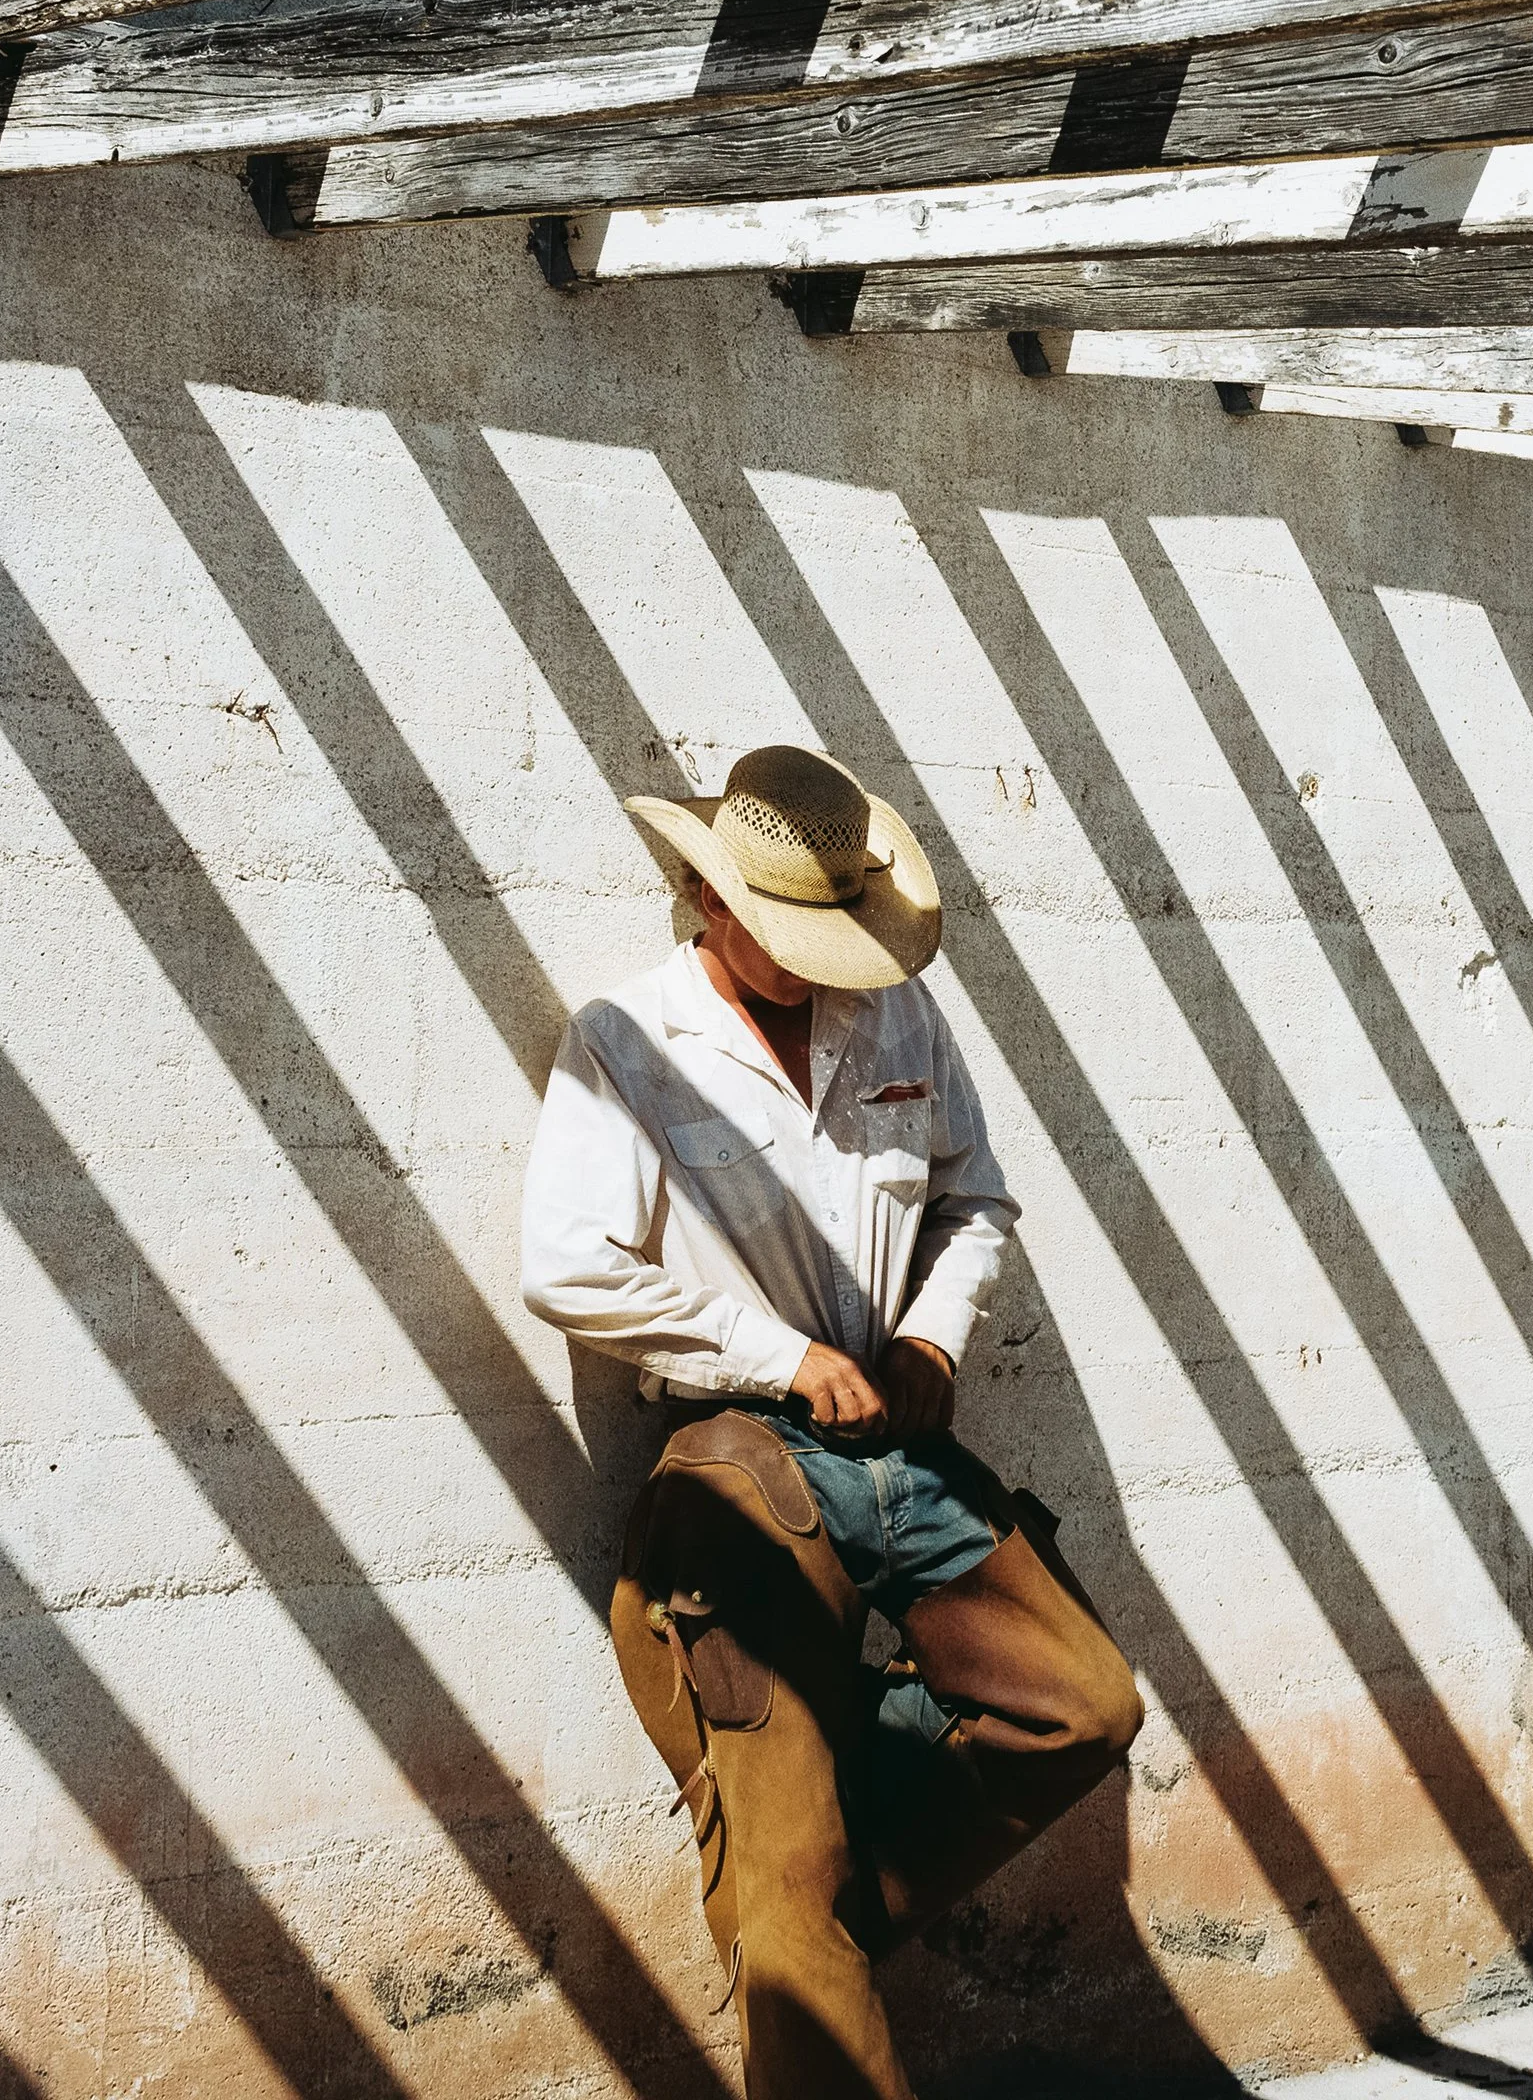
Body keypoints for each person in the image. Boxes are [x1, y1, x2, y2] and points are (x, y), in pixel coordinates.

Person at [522, 744, 1142, 2100]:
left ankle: (809, 1878)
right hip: (738, 1462)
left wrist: (932, 1331)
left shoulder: (902, 1019)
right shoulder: (628, 1037)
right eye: (782, 929)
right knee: (783, 1868)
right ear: (706, 894)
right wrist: (779, 1352)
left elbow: (976, 1204)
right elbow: (566, 1266)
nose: (812, 960)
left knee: (1087, 1706)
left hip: (896, 1447)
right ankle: (796, 1885)